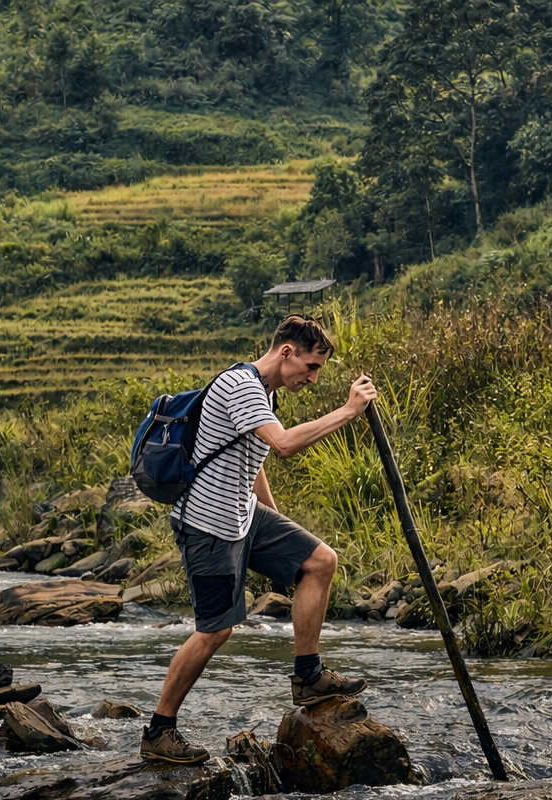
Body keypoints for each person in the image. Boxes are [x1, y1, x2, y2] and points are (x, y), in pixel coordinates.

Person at [140, 314, 378, 765]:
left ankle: (308, 677)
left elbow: (257, 458)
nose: (311, 377)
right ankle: (159, 730)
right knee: (215, 631)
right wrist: (348, 411)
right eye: (310, 367)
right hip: (207, 524)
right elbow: (284, 445)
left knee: (319, 561)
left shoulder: (267, 392)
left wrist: (273, 520)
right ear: (286, 352)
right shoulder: (240, 386)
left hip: (243, 516)